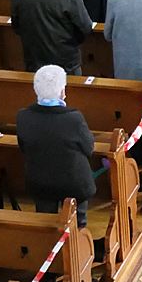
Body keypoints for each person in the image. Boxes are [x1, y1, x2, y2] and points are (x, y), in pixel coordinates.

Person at [15, 65, 96, 226]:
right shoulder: (74, 119)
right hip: (74, 184)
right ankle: (79, 235)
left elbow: (23, 147)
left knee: (45, 224)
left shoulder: (23, 116)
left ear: (36, 90)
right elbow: (89, 148)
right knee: (78, 223)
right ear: (62, 92)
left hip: (40, 182)